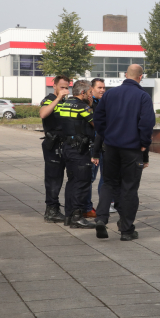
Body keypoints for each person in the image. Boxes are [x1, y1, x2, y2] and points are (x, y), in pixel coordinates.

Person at [93, 64, 155, 241]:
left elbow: (98, 118)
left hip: (111, 147)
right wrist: (144, 143)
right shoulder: (143, 96)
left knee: (108, 183)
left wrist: (107, 135)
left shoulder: (110, 94)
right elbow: (147, 123)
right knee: (129, 188)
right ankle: (126, 230)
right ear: (140, 77)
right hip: (132, 149)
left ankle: (101, 218)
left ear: (125, 75)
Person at [57, 80, 98, 229]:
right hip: (80, 150)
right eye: (89, 93)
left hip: (67, 148)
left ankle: (69, 215)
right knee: (82, 182)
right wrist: (92, 106)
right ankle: (77, 216)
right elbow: (97, 124)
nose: (91, 95)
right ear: (83, 93)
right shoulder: (83, 107)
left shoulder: (64, 104)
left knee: (72, 182)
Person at [39, 75, 69, 223]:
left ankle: (69, 209)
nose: (65, 90)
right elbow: (43, 113)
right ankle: (51, 210)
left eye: (67, 87)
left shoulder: (67, 102)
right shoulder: (49, 99)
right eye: (62, 87)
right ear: (55, 87)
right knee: (53, 178)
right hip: (53, 145)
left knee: (68, 178)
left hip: (67, 144)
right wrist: (57, 99)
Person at [84, 78, 106, 217]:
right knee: (90, 177)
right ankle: (87, 207)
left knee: (106, 177)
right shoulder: (88, 104)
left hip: (104, 144)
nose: (102, 90)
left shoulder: (102, 102)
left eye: (104, 88)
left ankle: (104, 204)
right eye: (99, 88)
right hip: (93, 145)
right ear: (91, 89)